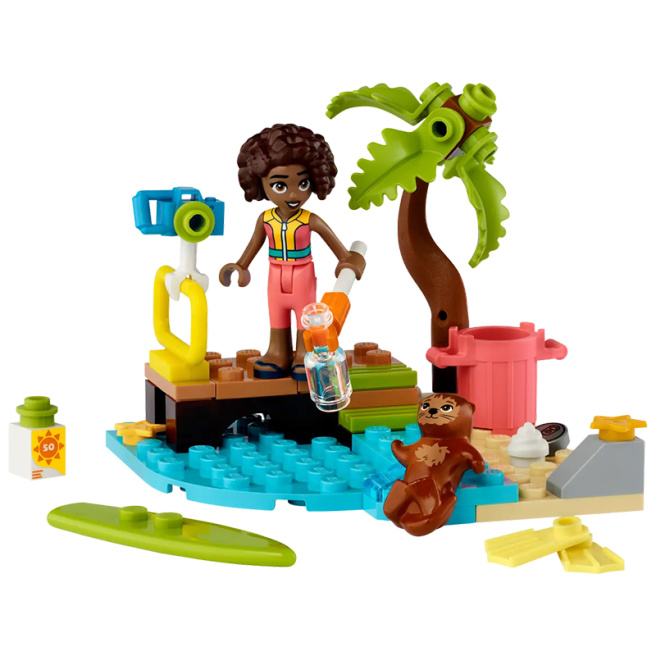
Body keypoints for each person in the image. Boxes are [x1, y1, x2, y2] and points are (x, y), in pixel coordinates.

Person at [220, 124, 365, 380]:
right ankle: (278, 352)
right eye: (280, 185)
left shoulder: (310, 220)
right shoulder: (265, 219)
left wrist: (348, 259)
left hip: (302, 273)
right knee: (276, 313)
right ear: (260, 183)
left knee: (304, 315)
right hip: (275, 273)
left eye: (303, 183)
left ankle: (302, 354)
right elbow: (254, 245)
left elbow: (338, 247)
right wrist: (241, 265)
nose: (294, 193)